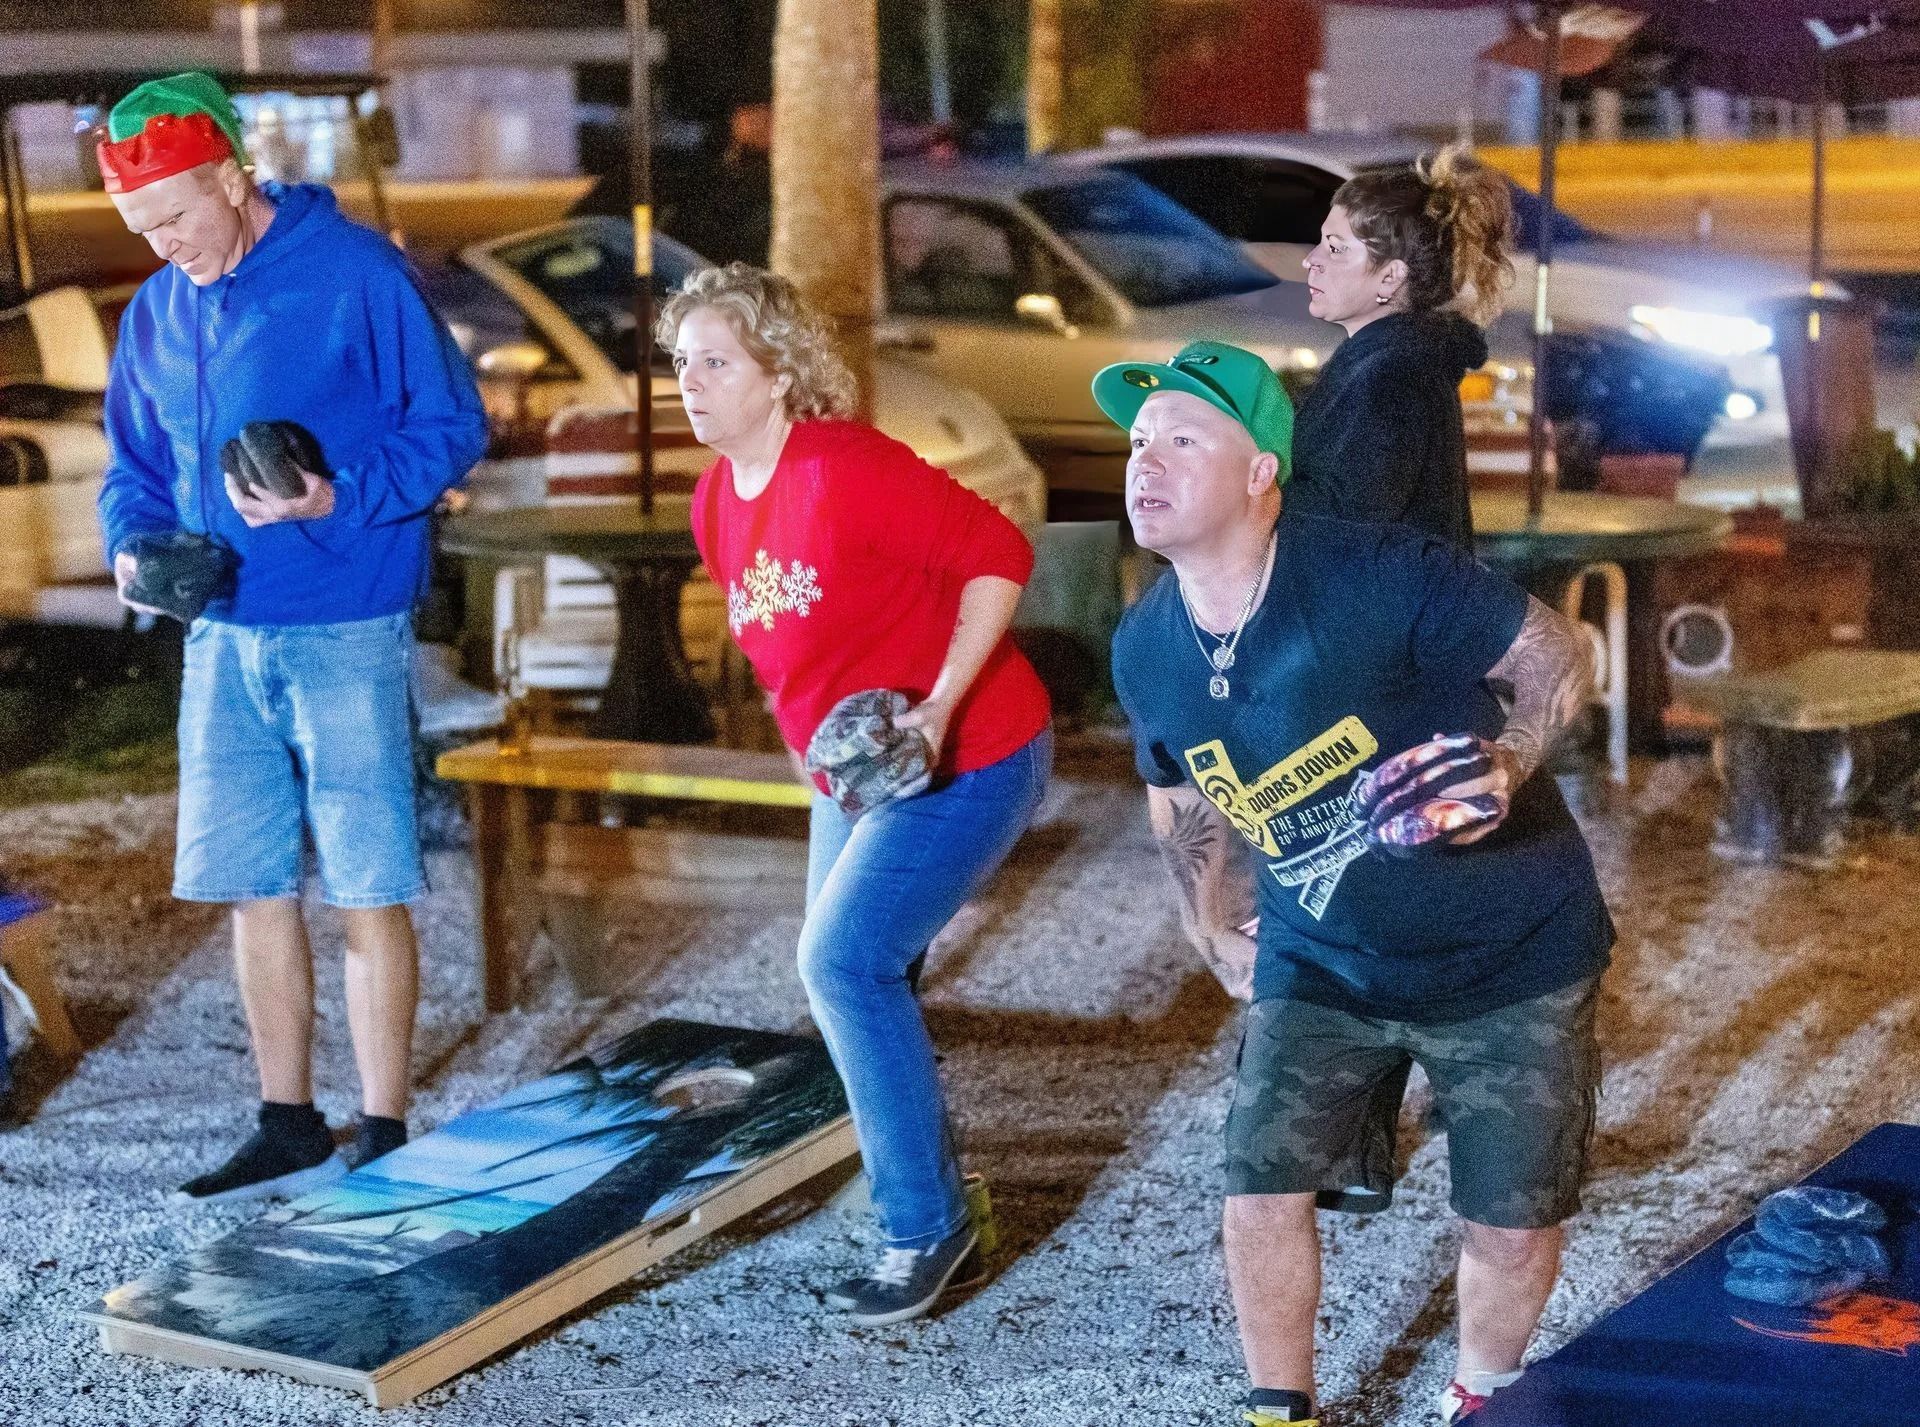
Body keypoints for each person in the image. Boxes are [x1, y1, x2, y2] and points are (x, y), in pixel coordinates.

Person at [1098, 341, 1612, 1426]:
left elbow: (1560, 652)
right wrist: (1209, 926)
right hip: (1319, 956)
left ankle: (1479, 1390)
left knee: (1510, 1221)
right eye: (1140, 440)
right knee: (1259, 1187)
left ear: (1260, 472)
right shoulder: (1144, 645)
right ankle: (1280, 1408)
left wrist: (1510, 758)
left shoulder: (1377, 571)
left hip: (1508, 950)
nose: (1148, 458)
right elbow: (1178, 792)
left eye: (1184, 437)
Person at [95, 73, 488, 1202]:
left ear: (231, 177)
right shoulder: (159, 311)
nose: (163, 245)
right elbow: (133, 466)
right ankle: (288, 1120)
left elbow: (453, 425)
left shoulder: (358, 274)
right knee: (252, 884)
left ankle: (384, 1122)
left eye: (175, 216)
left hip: (344, 621)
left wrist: (336, 497)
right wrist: (131, 547)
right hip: (219, 632)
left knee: (367, 881)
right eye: (141, 227)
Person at [660, 263, 1052, 1327]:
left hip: (976, 750)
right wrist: (814, 763)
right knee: (860, 972)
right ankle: (932, 1191)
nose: (690, 382)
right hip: (860, 768)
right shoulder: (715, 499)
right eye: (683, 361)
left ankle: (922, 1226)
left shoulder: (845, 467)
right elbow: (783, 661)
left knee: (841, 962)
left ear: (780, 371)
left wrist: (939, 705)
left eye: (716, 361)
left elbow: (1000, 554)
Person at [1290, 146, 1515, 544]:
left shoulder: (1390, 378)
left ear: (1391, 277)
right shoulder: (1391, 361)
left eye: (1335, 248)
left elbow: (1344, 528)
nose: (1312, 260)